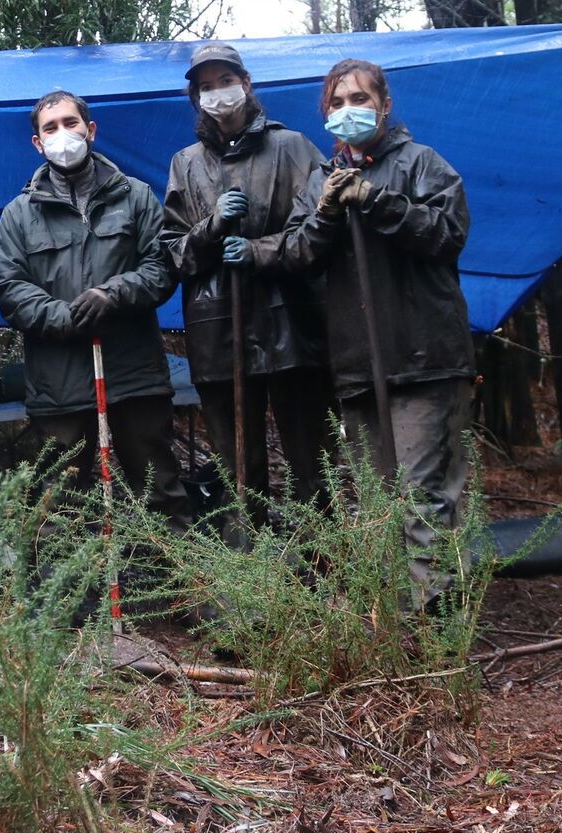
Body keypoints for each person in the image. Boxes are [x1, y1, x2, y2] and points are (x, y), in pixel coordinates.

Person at [276, 58, 473, 605]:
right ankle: (386, 632)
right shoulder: (321, 179)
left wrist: (378, 201)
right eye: (336, 104)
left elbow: (447, 234)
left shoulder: (423, 165)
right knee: (372, 504)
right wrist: (327, 214)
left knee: (423, 499)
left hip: (423, 357)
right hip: (358, 365)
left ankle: (435, 633)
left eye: (359, 100)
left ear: (385, 105)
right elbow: (295, 254)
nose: (348, 111)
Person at [0, 91, 189, 526]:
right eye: (50, 127)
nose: (63, 134)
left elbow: (162, 267)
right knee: (65, 506)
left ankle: (176, 589)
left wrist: (113, 295)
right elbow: (9, 289)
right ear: (37, 143)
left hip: (134, 375)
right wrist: (66, 318)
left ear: (90, 130)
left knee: (159, 490)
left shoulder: (136, 197)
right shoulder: (18, 215)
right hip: (59, 384)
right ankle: (81, 595)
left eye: (70, 123)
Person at [162, 42, 336, 519]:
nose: (218, 93)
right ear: (196, 98)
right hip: (218, 332)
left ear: (247, 84)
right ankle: (258, 575)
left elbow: (322, 234)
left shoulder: (294, 147)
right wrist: (211, 227)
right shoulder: (187, 164)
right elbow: (172, 253)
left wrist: (262, 251)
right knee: (240, 467)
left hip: (292, 328)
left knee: (312, 461)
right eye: (206, 87)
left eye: (226, 81)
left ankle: (322, 567)